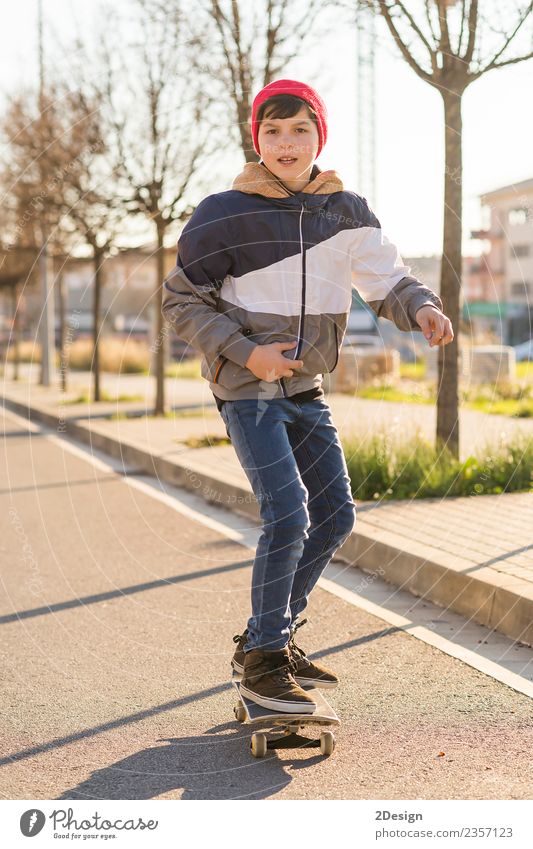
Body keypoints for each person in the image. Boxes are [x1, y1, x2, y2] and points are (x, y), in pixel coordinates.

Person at [162, 78, 453, 714]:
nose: (286, 143)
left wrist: (423, 307)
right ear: (255, 138)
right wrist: (248, 353)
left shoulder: (343, 211)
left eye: (300, 130)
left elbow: (387, 280)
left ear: (320, 136)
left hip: (309, 389)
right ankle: (265, 659)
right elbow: (180, 300)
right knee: (288, 511)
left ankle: (271, 637)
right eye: (273, 131)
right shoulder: (224, 213)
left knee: (337, 514)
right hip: (246, 390)